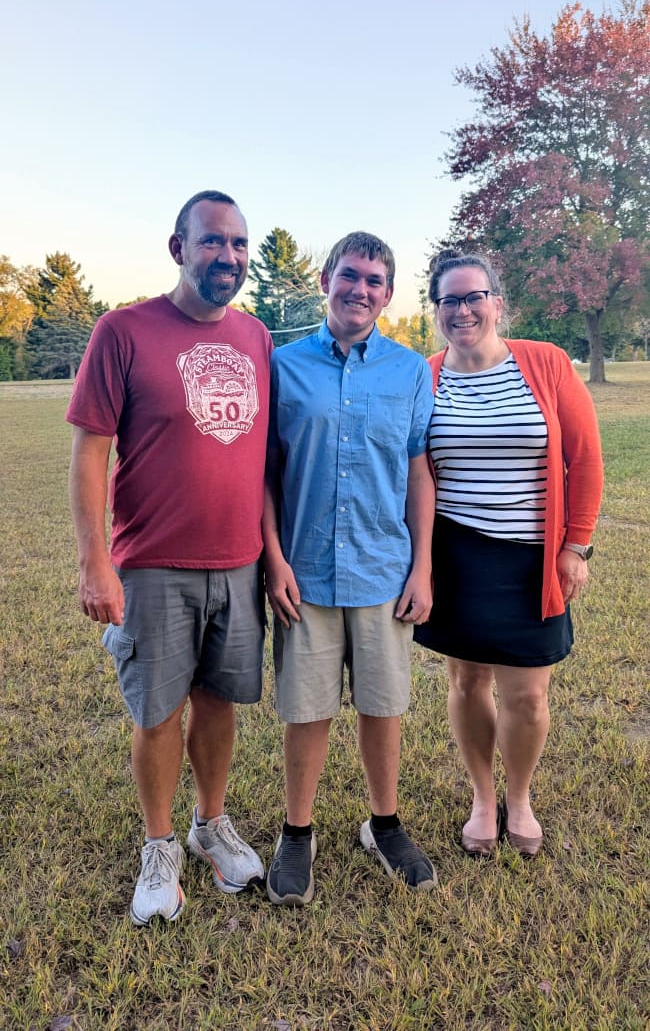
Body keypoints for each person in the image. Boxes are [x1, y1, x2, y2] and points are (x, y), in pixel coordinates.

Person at [66, 190, 273, 924]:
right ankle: (160, 847)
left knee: (219, 702)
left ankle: (209, 825)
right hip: (152, 563)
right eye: (213, 242)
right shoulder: (123, 331)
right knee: (158, 711)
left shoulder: (256, 336)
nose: (229, 257)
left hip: (239, 563)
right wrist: (96, 561)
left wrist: (270, 557)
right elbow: (91, 452)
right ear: (177, 248)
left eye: (240, 244)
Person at [263, 231, 437, 905]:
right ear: (326, 281)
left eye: (373, 280)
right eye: (348, 275)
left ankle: (383, 824)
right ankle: (297, 833)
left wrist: (422, 566)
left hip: (383, 569)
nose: (359, 289)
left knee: (382, 706)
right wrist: (273, 557)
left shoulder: (409, 370)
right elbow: (267, 474)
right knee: (306, 710)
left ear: (387, 294)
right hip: (303, 572)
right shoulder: (282, 365)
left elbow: (419, 469)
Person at [414, 249, 603, 857]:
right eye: (450, 299)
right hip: (458, 555)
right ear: (437, 308)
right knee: (467, 680)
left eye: (475, 296)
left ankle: (518, 797)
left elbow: (586, 458)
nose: (463, 309)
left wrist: (576, 546)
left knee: (528, 694)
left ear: (497, 302)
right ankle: (482, 797)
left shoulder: (544, 364)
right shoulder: (427, 376)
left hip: (531, 558)